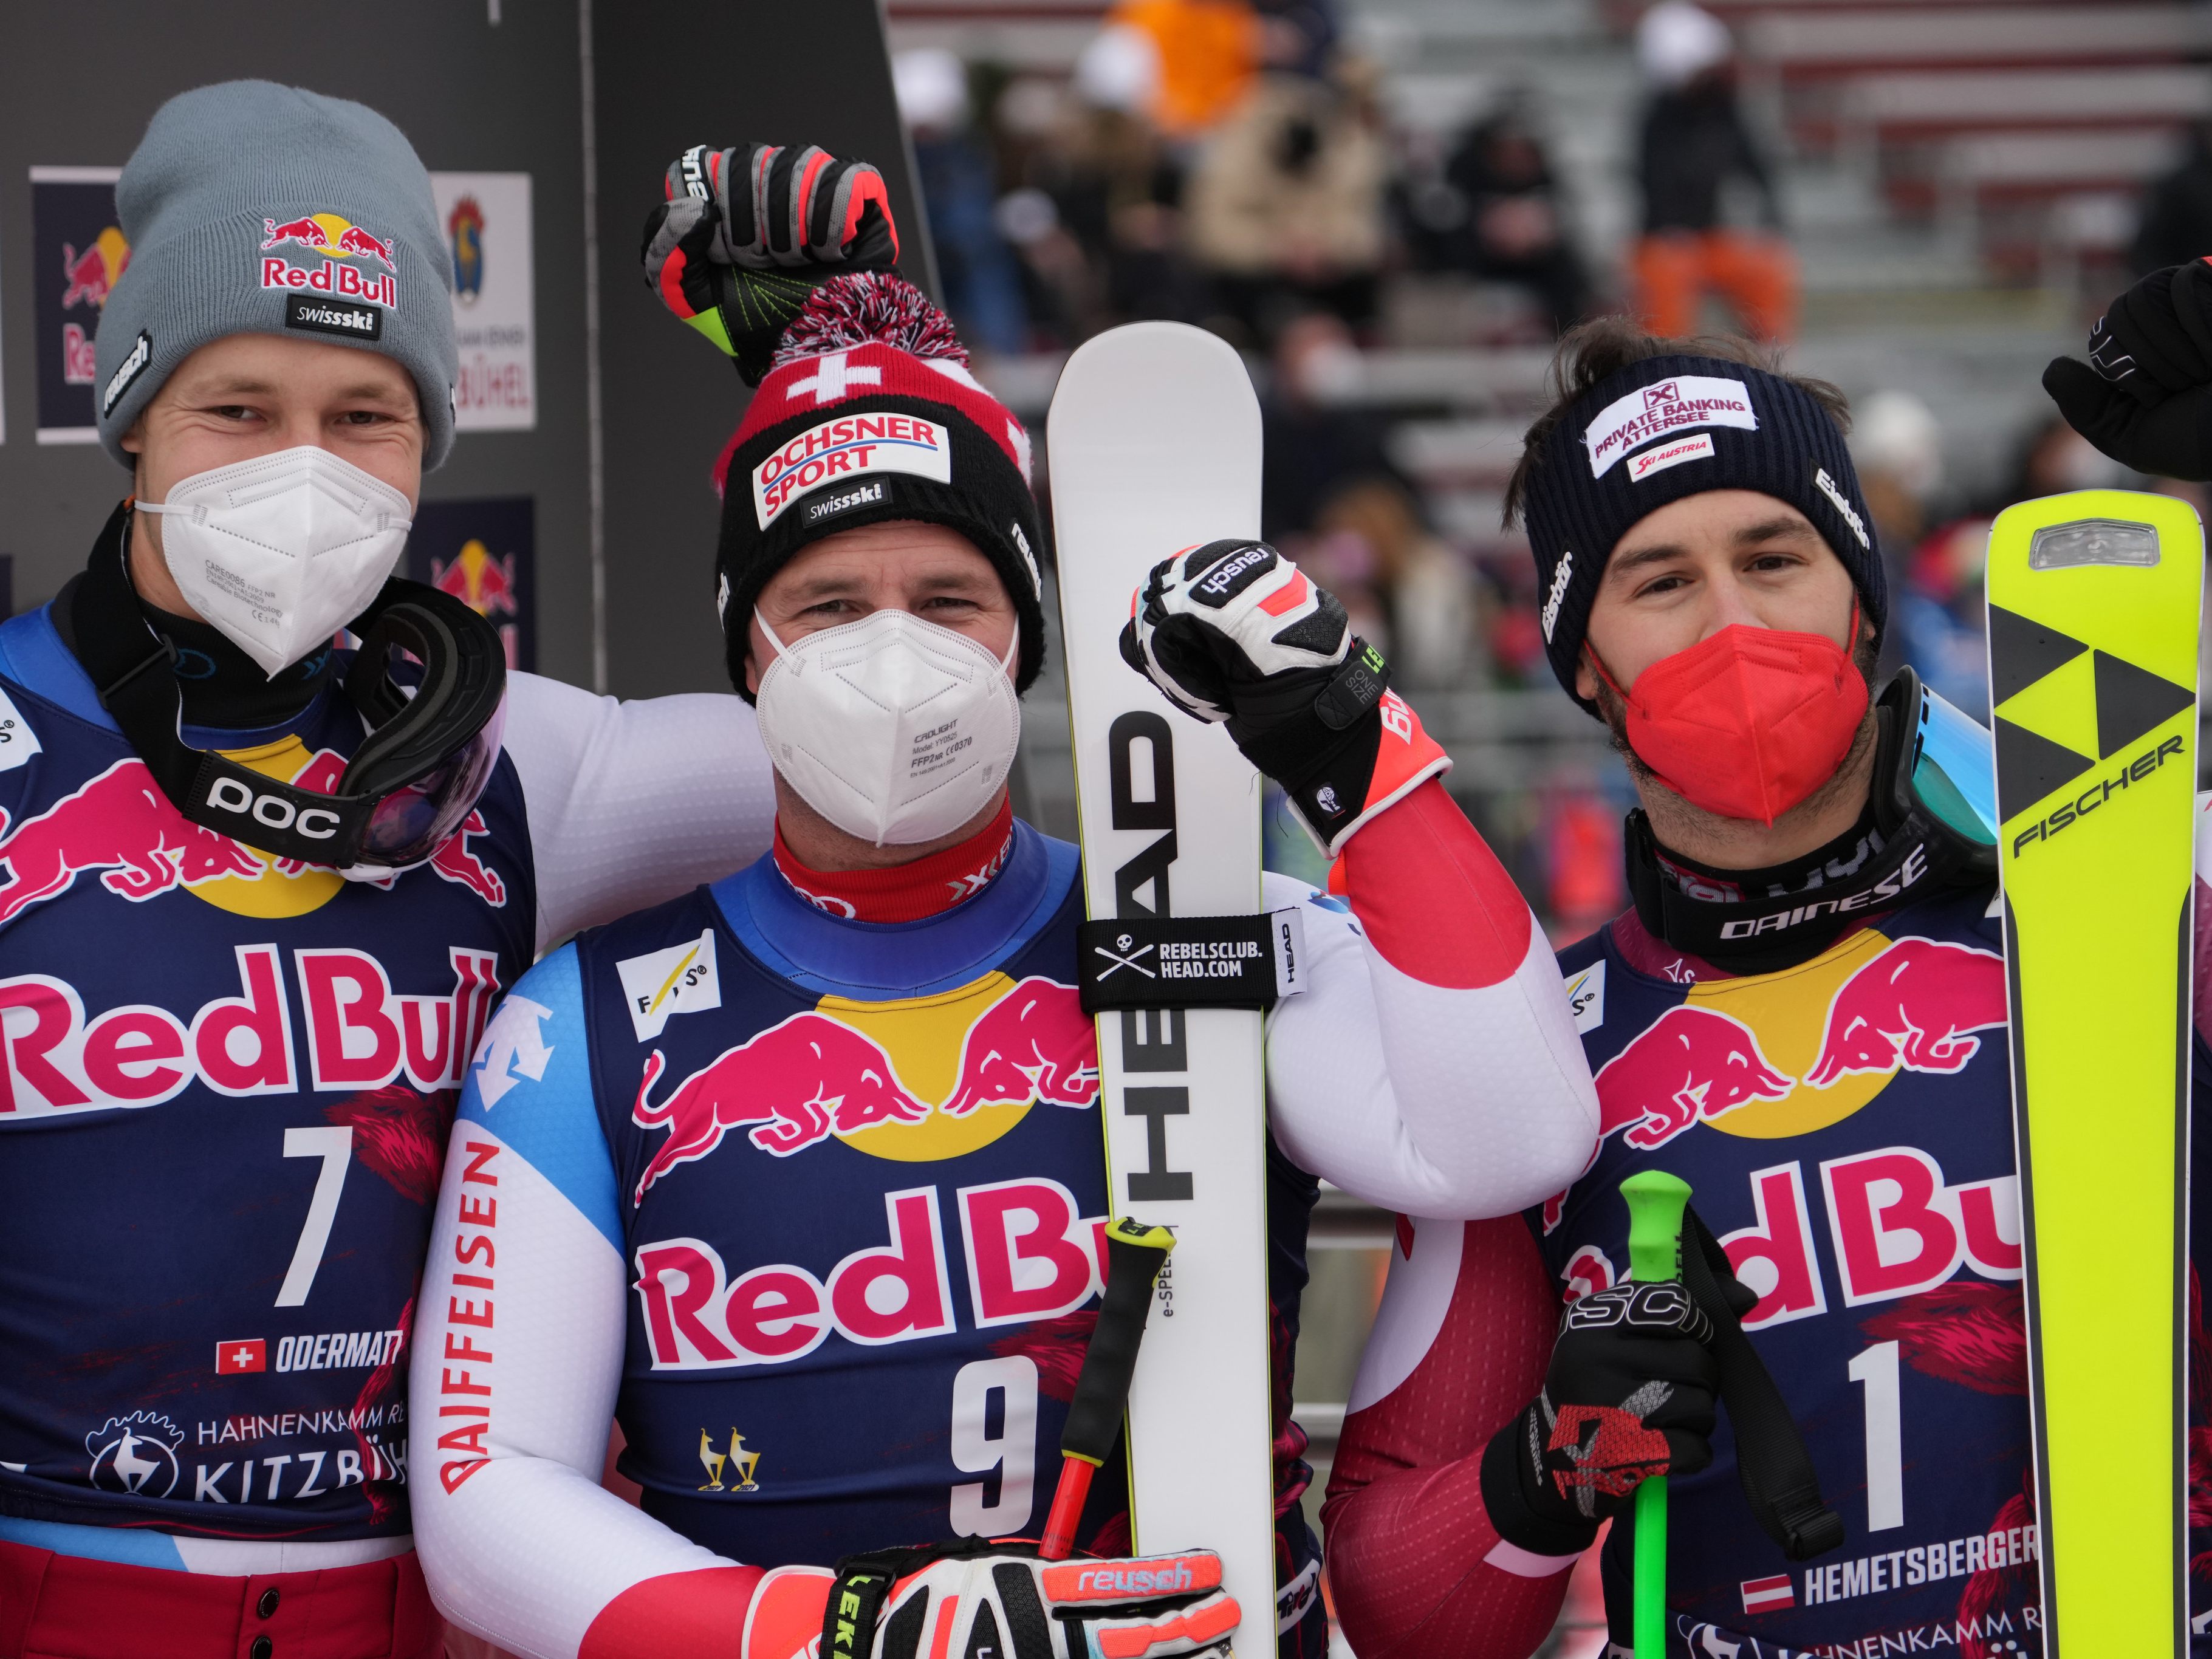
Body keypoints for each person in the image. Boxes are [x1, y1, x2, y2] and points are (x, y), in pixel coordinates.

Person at [406, 175, 1605, 1658]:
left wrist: (1364, 755)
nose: (893, 648)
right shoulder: (585, 1024)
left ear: (1029, 639)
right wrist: (856, 1633)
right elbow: (481, 1504)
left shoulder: (1212, 925)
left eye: (950, 601)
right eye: (831, 606)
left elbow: (1514, 1135)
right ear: (749, 650)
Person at [0, 84, 899, 1658]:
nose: (303, 466)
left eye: (365, 418)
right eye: (239, 407)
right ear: (133, 410)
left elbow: (906, 737)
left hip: (419, 1608)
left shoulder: (530, 766)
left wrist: (858, 382)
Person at [1320, 315, 2191, 1656]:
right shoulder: (1531, 1060)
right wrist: (1545, 1472)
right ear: (1582, 662)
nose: (1732, 621)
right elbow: (1397, 1607)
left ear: (1854, 596)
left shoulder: (2117, 906)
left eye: (1774, 558)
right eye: (1658, 581)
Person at [1630, 2, 1796, 343]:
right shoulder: (1655, 119)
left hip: (1714, 237)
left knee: (1767, 266)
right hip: (1666, 241)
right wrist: (1671, 230)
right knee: (1668, 270)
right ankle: (1667, 360)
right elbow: (1650, 183)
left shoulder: (1725, 110)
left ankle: (1773, 359)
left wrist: (1770, 223)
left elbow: (1755, 167)